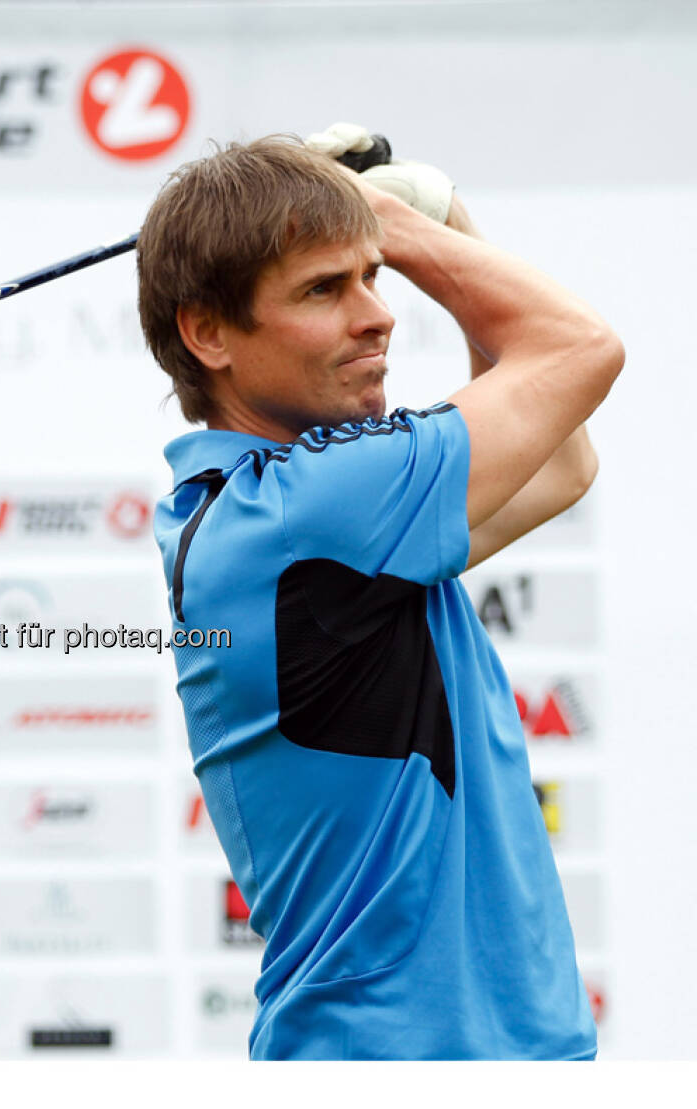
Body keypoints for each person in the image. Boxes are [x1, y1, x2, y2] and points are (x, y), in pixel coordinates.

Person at [139, 125, 622, 1060]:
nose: (379, 314)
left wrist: (429, 224)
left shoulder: (292, 515)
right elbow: (579, 349)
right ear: (207, 333)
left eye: (373, 277)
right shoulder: (303, 511)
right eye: (327, 288)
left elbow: (562, 458)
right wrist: (403, 223)